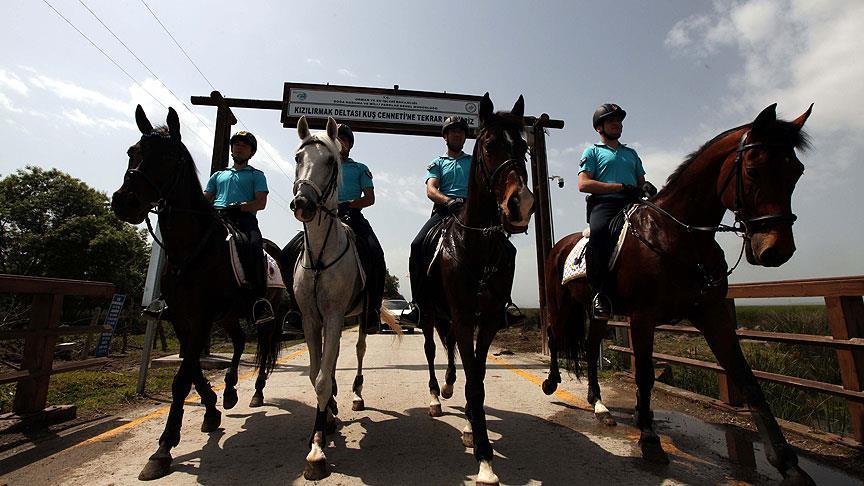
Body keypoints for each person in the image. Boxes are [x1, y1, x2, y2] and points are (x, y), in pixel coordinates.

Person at [402, 116, 524, 324]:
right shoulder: (438, 163)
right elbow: (431, 189)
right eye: (453, 131)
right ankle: (418, 305)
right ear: (445, 136)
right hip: (445, 211)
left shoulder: (474, 160)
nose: (457, 134)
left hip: (474, 212)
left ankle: (505, 304)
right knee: (417, 245)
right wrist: (448, 201)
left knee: (508, 250)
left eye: (460, 131)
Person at [578, 103, 648, 320]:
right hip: (605, 205)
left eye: (619, 120)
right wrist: (619, 187)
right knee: (599, 233)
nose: (617, 124)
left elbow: (641, 182)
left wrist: (645, 187)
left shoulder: (631, 153)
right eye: (611, 120)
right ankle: (600, 293)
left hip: (633, 203)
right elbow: (583, 184)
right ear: (599, 127)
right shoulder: (592, 151)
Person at [203, 130, 274, 324]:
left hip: (243, 220)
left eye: (244, 145)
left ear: (251, 152)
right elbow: (206, 198)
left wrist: (240, 207)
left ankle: (258, 300)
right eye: (236, 144)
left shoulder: (256, 175)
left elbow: (261, 203)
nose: (239, 148)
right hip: (217, 218)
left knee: (254, 246)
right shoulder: (218, 175)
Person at [335, 124, 387, 334]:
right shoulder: (323, 165)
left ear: (350, 144)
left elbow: (370, 198)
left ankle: (372, 309)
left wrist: (350, 205)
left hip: (352, 215)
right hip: (325, 216)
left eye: (344, 139)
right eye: (336, 138)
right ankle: (295, 310)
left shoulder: (359, 168)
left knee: (376, 253)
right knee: (290, 252)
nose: (340, 142)